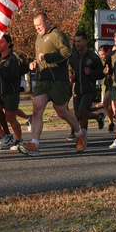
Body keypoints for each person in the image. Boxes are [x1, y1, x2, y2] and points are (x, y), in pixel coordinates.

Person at [18, 13, 87, 157]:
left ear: (47, 22)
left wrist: (48, 57)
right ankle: (35, 144)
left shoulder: (56, 34)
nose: (37, 29)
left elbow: (67, 52)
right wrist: (35, 62)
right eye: (35, 26)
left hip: (58, 80)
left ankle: (80, 134)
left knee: (61, 111)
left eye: (40, 25)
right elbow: (40, 56)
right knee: (37, 108)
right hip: (43, 80)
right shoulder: (39, 37)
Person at [0, 34, 28, 151]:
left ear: (9, 44)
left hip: (10, 92)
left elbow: (13, 75)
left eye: (2, 42)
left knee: (11, 118)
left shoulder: (13, 58)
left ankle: (19, 140)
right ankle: (3, 136)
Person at [69, 32, 106, 137]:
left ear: (85, 41)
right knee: (78, 114)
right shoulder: (73, 56)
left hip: (89, 89)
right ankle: (99, 117)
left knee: (82, 112)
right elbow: (70, 69)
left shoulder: (93, 57)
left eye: (79, 41)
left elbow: (101, 73)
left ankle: (82, 135)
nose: (77, 44)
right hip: (77, 90)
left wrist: (91, 73)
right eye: (76, 41)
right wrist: (72, 76)